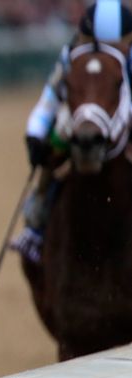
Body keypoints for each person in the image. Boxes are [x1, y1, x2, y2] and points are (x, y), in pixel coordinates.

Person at [11, 0, 132, 263]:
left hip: (123, 116)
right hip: (80, 118)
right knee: (55, 143)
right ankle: (37, 222)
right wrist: (35, 136)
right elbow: (49, 100)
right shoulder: (70, 56)